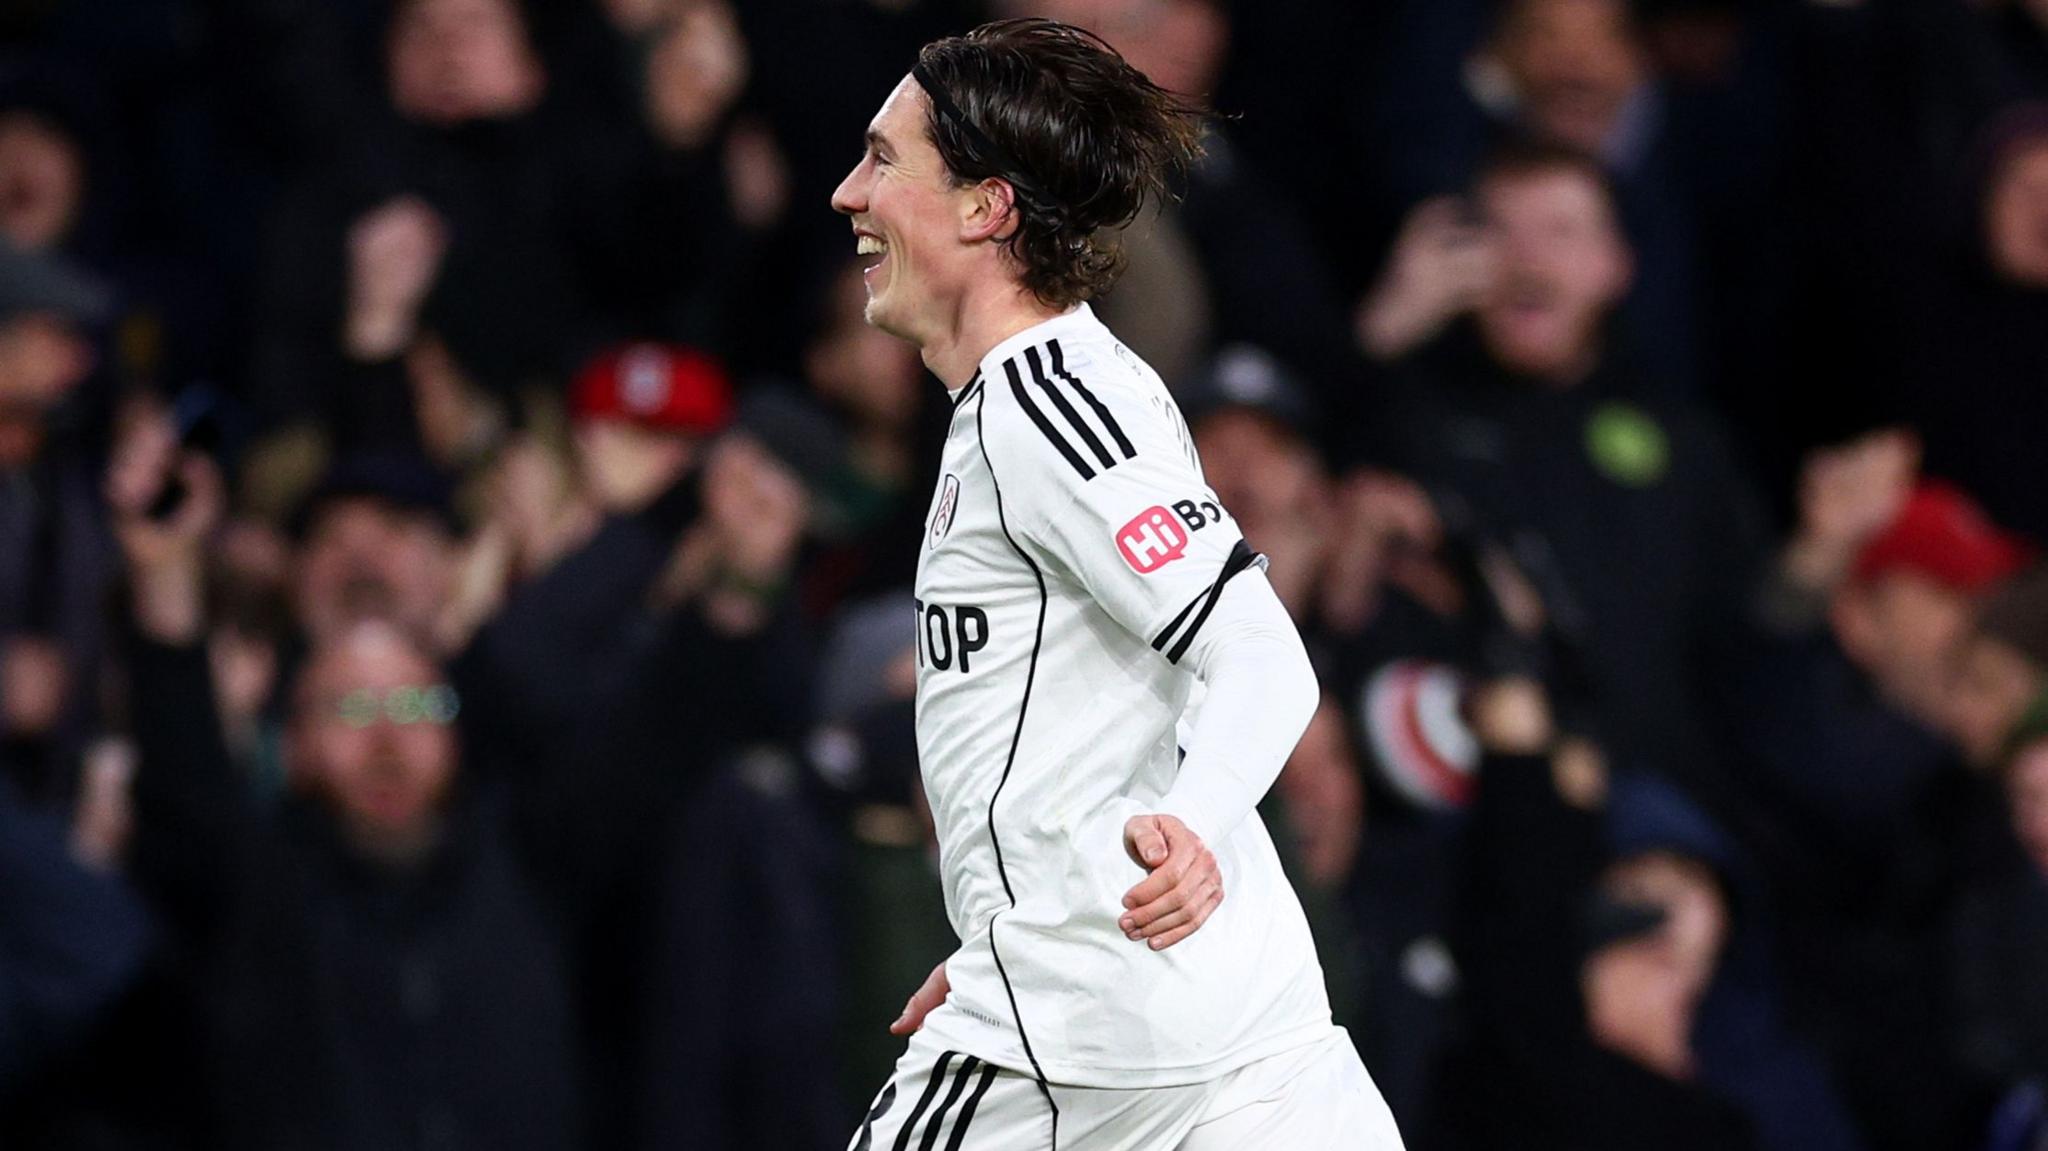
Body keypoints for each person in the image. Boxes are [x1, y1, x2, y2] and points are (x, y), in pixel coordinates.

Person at [829, 18, 1403, 1149]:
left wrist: (1178, 834)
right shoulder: (1066, 388)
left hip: (1107, 1034)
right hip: (1227, 1040)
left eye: (883, 160)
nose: (850, 194)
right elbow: (1100, 713)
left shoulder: (1044, 410)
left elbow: (1257, 651)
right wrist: (1014, 923)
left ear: (983, 208)